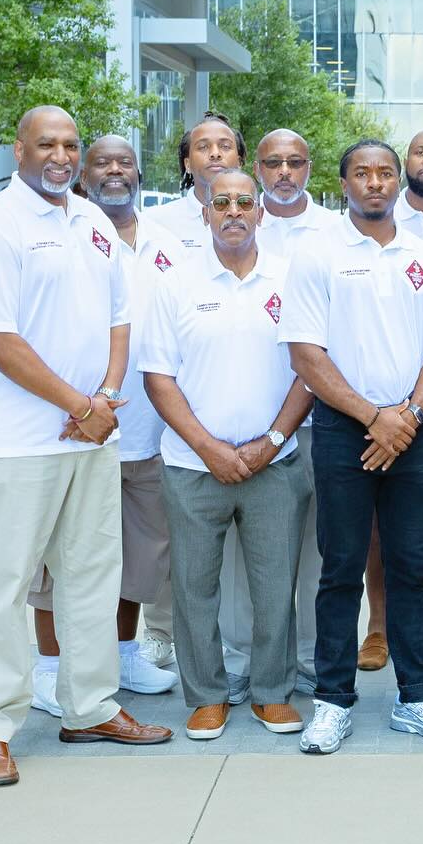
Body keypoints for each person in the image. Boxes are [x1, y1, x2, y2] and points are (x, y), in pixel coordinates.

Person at [0, 106, 172, 787]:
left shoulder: (92, 222)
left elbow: (119, 317)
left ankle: (89, 706)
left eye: (70, 144)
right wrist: (80, 405)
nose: (61, 155)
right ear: (18, 149)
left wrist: (104, 400)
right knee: (4, 585)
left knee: (91, 578)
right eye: (46, 143)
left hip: (88, 439)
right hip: (17, 443)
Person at [282, 139, 423, 753]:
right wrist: (372, 417)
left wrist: (408, 416)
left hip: (411, 433)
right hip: (342, 431)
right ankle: (332, 702)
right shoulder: (318, 252)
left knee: (413, 570)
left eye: (386, 173)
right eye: (362, 173)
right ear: (343, 183)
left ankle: (418, 697)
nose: (376, 182)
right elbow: (306, 352)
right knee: (340, 571)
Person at [142, 169, 313, 741]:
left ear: (261, 212)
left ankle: (271, 693)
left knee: (273, 585)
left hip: (275, 462)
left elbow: (310, 371)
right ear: (207, 213)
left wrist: (271, 442)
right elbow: (159, 379)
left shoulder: (291, 281)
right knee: (194, 587)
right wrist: (209, 448)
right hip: (194, 466)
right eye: (223, 203)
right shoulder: (176, 284)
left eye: (245, 201)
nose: (234, 211)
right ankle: (207, 696)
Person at [26, 136, 182, 718]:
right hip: (72, 426)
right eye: (102, 162)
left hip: (145, 430)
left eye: (125, 162)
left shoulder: (169, 242)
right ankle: (48, 668)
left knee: (136, 557)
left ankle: (120, 653)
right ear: (85, 174)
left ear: (140, 172)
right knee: (54, 557)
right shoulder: (71, 232)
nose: (115, 171)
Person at [208, 129, 341, 707]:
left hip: (323, 424)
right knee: (247, 560)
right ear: (255, 170)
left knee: (314, 551)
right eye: (273, 163)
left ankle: (307, 659)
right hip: (252, 434)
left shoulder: (336, 232)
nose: (285, 171)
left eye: (295, 162)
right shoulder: (222, 233)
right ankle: (241, 661)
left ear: (309, 168)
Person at [359, 128, 423, 669]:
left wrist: (416, 413)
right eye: (420, 151)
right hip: (383, 414)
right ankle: (377, 627)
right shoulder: (366, 230)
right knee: (375, 530)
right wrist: (390, 416)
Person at [145, 112, 246, 253]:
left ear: (239, 162)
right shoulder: (155, 223)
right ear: (187, 164)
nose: (215, 153)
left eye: (225, 146)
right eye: (203, 147)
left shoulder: (259, 221)